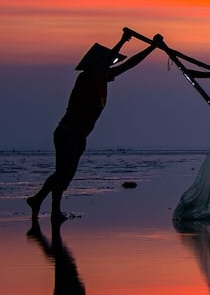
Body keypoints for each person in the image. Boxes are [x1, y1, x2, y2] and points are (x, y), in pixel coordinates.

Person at [28, 33, 163, 218]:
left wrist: (152, 47)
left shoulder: (103, 77)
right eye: (106, 62)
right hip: (67, 133)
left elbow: (129, 64)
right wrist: (123, 40)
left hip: (80, 135)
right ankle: (44, 204)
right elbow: (104, 64)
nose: (109, 65)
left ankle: (43, 204)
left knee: (66, 175)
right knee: (63, 172)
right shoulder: (86, 78)